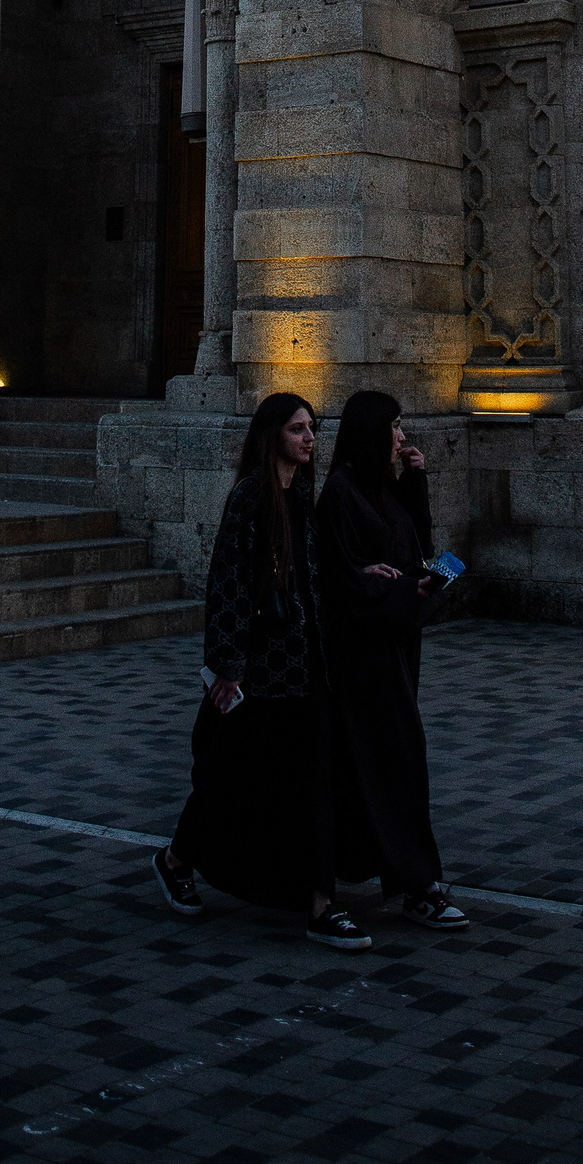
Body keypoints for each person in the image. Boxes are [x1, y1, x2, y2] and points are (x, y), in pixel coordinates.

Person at [155, 391, 370, 950]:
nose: (309, 438)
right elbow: (227, 582)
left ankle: (321, 903)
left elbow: (315, 573)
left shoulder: (300, 494)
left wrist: (363, 574)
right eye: (298, 429)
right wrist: (227, 665)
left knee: (313, 781)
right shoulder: (250, 497)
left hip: (308, 667)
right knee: (230, 775)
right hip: (260, 672)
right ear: (272, 435)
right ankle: (176, 859)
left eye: (312, 428)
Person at [316, 390, 465, 929]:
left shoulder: (382, 488)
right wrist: (396, 587)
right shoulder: (340, 493)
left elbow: (415, 549)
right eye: (395, 427)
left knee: (385, 764)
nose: (402, 438)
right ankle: (417, 884)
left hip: (396, 648)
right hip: (364, 658)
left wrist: (416, 481)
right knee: (393, 763)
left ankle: (397, 877)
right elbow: (342, 579)